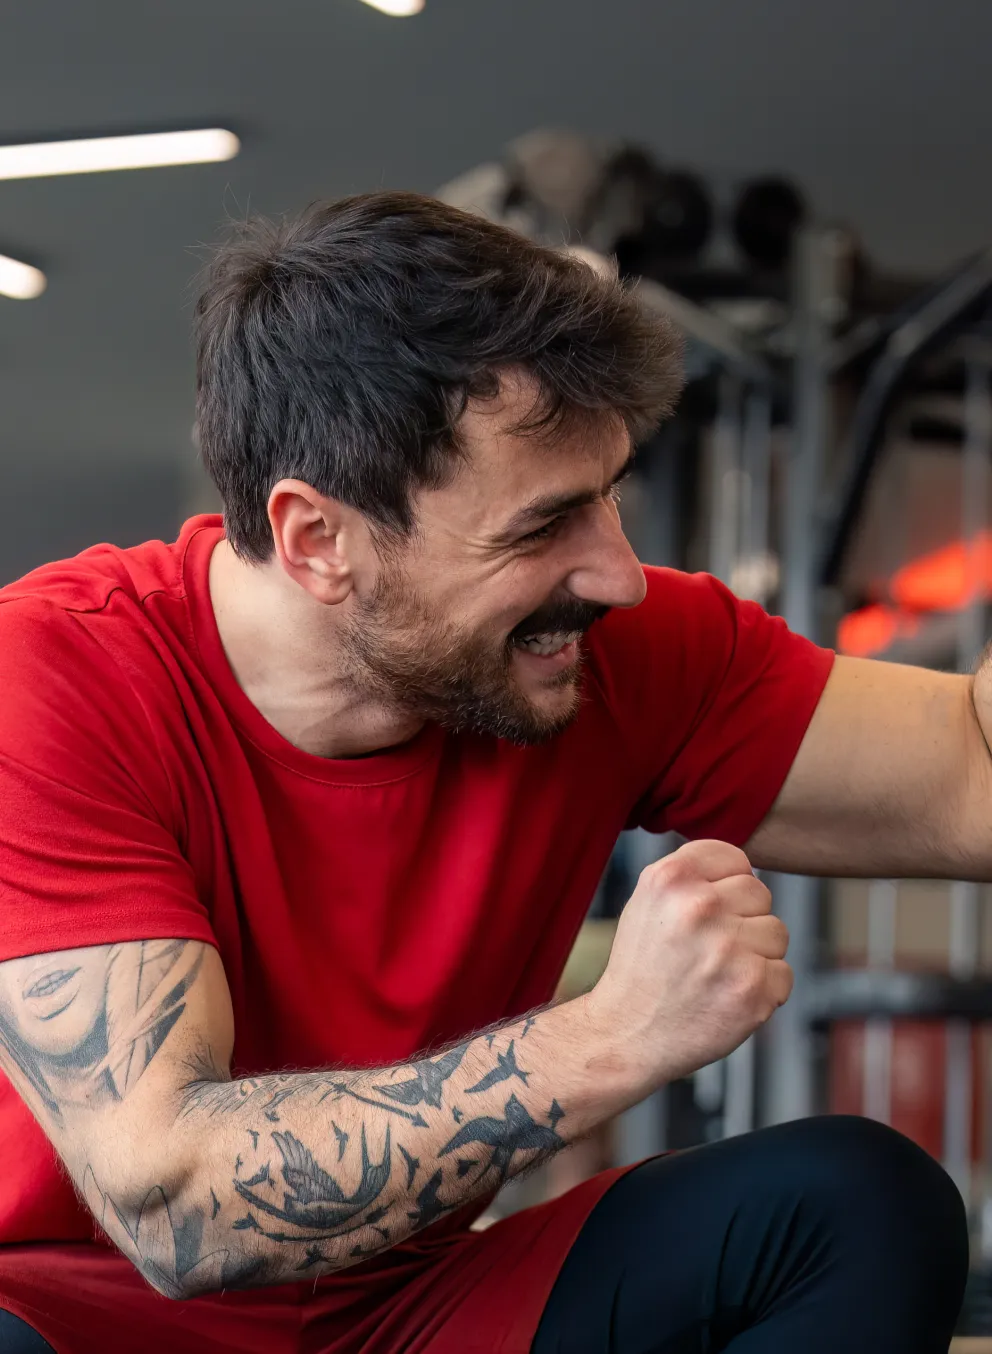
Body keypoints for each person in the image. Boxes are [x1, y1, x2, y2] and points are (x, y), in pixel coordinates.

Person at [0, 191, 973, 1354]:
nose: (615, 573)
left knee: (850, 1203)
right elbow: (169, 1201)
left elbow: (963, 762)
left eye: (608, 494)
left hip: (410, 1307)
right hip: (83, 1320)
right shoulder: (51, 675)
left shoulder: (612, 650)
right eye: (541, 526)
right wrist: (609, 1036)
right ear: (317, 539)